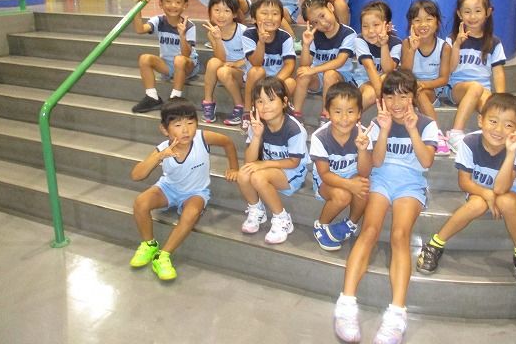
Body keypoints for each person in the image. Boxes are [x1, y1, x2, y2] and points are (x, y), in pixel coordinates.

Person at [334, 69, 438, 344]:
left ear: (413, 97)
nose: (396, 103)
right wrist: (384, 130)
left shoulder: (427, 124)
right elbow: (377, 162)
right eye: (390, 96)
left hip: (410, 184)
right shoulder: (378, 122)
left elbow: (426, 161)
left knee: (400, 235)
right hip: (381, 179)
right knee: (368, 230)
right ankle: (346, 304)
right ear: (382, 99)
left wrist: (413, 129)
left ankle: (397, 313)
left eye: (403, 96)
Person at [416, 92, 516, 287]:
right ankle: (435, 244)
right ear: (480, 120)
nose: (499, 130)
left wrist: (510, 152)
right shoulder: (469, 143)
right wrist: (485, 193)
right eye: (493, 121)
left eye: (508, 125)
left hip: (511, 190)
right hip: (478, 187)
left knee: (506, 201)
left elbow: (501, 188)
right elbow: (464, 182)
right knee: (477, 204)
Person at [129, 98, 238, 280]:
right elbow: (136, 175)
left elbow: (227, 142)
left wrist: (234, 168)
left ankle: (163, 256)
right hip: (168, 188)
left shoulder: (202, 138)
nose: (186, 130)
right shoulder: (163, 149)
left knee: (191, 213)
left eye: (190, 122)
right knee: (140, 202)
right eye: (178, 125)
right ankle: (149, 244)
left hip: (196, 193)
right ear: (165, 129)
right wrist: (159, 157)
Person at [444, 0, 516, 153]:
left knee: (496, 108)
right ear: (459, 14)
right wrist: (457, 45)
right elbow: (449, 69)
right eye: (467, 12)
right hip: (456, 88)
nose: (472, 16)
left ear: (487, 12)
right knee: (475, 87)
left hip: (483, 91)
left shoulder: (493, 42)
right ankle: (455, 134)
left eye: (478, 11)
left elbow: (498, 72)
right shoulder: (451, 39)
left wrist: (501, 98)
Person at [236, 77, 309, 244]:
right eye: (260, 101)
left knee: (257, 177)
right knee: (243, 174)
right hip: (270, 170)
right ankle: (257, 210)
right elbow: (249, 161)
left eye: (271, 100)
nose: (265, 106)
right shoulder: (257, 124)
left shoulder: (294, 129)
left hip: (292, 173)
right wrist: (256, 136)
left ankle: (282, 218)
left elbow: (294, 162)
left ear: (284, 102)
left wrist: (264, 164)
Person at [309, 82, 373, 251]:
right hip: (326, 182)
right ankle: (321, 225)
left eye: (350, 112)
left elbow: (365, 172)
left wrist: (363, 150)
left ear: (359, 113)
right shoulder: (319, 137)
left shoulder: (364, 134)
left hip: (352, 176)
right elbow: (324, 174)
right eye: (337, 112)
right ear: (327, 112)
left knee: (364, 185)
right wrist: (349, 185)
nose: (344, 118)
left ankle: (351, 223)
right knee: (343, 195)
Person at [131, 0, 200, 113]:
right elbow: (140, 29)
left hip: (188, 65)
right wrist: (138, 7)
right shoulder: (158, 21)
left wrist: (182, 35)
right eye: (168, 1)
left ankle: (175, 98)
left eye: (178, 2)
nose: (173, 5)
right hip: (168, 65)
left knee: (179, 59)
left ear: (185, 5)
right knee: (144, 59)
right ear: (161, 4)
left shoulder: (189, 26)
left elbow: (186, 54)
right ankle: (152, 97)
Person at [291, 0, 357, 126]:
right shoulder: (315, 35)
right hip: (319, 77)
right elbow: (305, 64)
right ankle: (296, 115)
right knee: (303, 73)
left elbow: (340, 61)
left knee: (329, 74)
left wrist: (313, 70)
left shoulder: (348, 34)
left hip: (341, 77)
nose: (322, 23)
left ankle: (326, 115)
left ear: (330, 7)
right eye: (315, 22)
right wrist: (306, 44)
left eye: (322, 16)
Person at [400, 0, 452, 156]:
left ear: (437, 22)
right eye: (417, 20)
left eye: (429, 19)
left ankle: (437, 134)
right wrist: (412, 50)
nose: (423, 24)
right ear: (411, 24)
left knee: (420, 93)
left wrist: (422, 85)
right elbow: (405, 73)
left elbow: (444, 79)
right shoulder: (406, 43)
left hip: (431, 90)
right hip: (409, 87)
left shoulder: (444, 47)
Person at [241, 0, 297, 129]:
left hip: (276, 80)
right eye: (264, 13)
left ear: (281, 18)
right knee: (256, 71)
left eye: (275, 14)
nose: (270, 18)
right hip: (256, 79)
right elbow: (256, 62)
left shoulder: (285, 37)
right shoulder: (248, 35)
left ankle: (280, 111)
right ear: (254, 18)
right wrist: (261, 42)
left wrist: (274, 83)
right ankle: (248, 111)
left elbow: (290, 64)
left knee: (291, 82)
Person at [201, 0, 249, 125]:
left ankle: (240, 106)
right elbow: (220, 58)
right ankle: (208, 102)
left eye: (227, 11)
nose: (221, 15)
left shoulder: (244, 31)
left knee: (222, 71)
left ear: (234, 14)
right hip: (225, 69)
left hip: (244, 72)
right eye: (216, 10)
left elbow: (255, 56)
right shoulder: (212, 33)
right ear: (210, 12)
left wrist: (238, 63)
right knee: (213, 62)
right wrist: (217, 39)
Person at [354, 0, 402, 111]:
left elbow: (388, 69)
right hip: (364, 80)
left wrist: (384, 45)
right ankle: (351, 117)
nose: (370, 31)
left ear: (388, 27)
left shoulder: (396, 43)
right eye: (365, 26)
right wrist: (382, 97)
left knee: (387, 76)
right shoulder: (360, 40)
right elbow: (369, 68)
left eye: (376, 25)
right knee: (371, 94)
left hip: (387, 81)